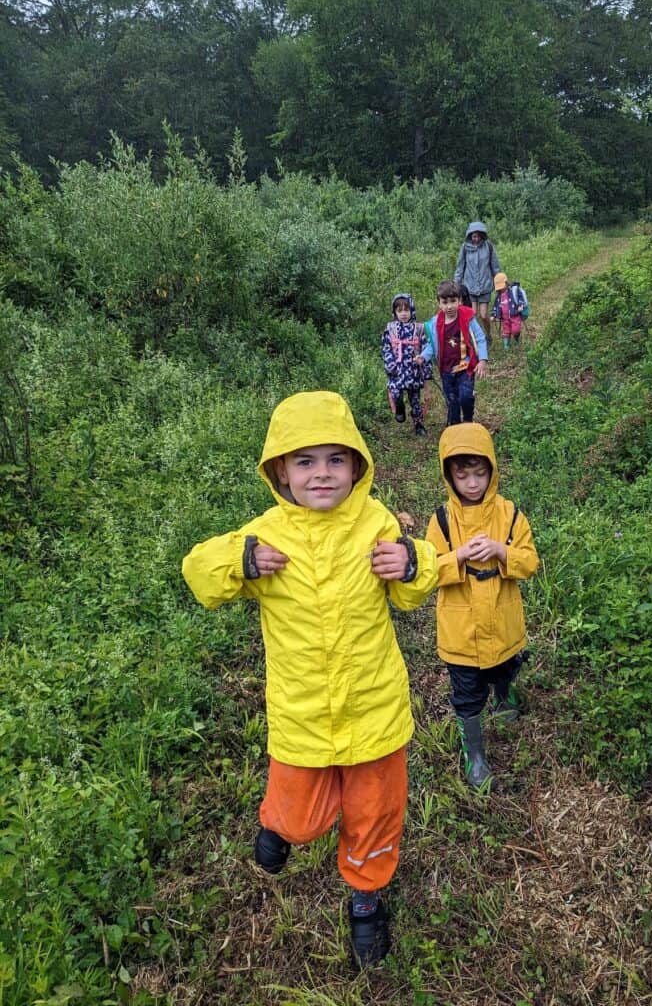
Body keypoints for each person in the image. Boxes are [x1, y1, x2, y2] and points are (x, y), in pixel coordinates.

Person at [181, 391, 438, 969]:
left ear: (356, 466)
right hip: (302, 714)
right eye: (305, 461)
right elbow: (198, 573)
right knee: (301, 814)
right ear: (279, 471)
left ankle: (366, 898)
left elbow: (415, 589)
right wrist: (238, 560)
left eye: (335, 460)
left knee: (375, 811)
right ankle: (280, 826)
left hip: (374, 709)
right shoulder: (267, 534)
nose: (321, 474)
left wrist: (413, 562)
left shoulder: (375, 521)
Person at [425, 423, 539, 789]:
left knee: (507, 665)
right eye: (463, 475)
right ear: (449, 475)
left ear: (492, 471)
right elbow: (428, 570)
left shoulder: (510, 514)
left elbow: (530, 561)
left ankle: (504, 695)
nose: (472, 483)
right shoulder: (441, 521)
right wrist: (458, 556)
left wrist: (501, 551)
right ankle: (475, 755)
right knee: (468, 692)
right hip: (461, 633)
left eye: (480, 473)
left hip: (504, 622)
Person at [417, 280, 488, 427]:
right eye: (445, 302)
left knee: (465, 396)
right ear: (439, 303)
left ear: (460, 301)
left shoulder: (467, 318)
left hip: (465, 366)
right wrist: (423, 356)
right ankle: (455, 426)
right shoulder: (436, 323)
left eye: (453, 301)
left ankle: (468, 420)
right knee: (452, 400)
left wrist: (482, 360)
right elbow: (433, 345)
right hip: (446, 370)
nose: (449, 306)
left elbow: (480, 338)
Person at [381, 292, 430, 437]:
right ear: (395, 312)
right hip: (397, 371)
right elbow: (386, 348)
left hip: (413, 371)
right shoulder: (390, 329)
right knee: (396, 393)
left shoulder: (419, 329)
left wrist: (424, 366)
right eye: (399, 310)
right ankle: (399, 407)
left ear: (412, 310)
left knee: (415, 399)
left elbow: (426, 348)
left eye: (406, 310)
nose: (403, 314)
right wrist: (390, 365)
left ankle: (418, 423)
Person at [453, 221, 500, 341]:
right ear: (470, 236)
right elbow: (460, 267)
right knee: (472, 315)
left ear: (482, 235)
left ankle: (488, 335)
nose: (476, 238)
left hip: (485, 286)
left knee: (484, 315)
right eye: (474, 236)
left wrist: (499, 281)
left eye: (478, 236)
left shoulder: (488, 246)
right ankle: (476, 339)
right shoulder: (465, 248)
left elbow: (495, 266)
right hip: (470, 287)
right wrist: (455, 285)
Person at [490, 272, 529, 350]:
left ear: (506, 283)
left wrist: (521, 305)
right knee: (506, 332)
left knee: (516, 330)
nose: (500, 289)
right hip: (505, 318)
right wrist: (493, 315)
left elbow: (520, 297)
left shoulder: (513, 291)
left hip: (515, 315)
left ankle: (516, 337)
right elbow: (496, 306)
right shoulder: (498, 296)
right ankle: (506, 346)